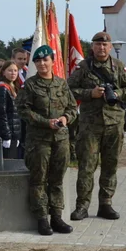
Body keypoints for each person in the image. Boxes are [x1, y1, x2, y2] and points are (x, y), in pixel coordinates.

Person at [67, 31, 126, 221]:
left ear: (110, 46)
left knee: (110, 165)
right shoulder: (83, 68)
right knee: (87, 166)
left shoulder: (118, 67)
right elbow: (69, 90)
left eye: (105, 45)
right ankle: (82, 206)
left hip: (114, 124)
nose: (102, 47)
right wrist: (91, 93)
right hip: (90, 125)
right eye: (98, 44)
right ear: (93, 46)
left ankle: (106, 204)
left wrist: (117, 93)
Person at [18, 45, 78, 236]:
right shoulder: (30, 85)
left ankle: (57, 217)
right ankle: (42, 219)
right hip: (39, 141)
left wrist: (65, 119)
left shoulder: (61, 84)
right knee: (39, 180)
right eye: (38, 61)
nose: (42, 64)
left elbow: (72, 108)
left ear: (53, 61)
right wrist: (46, 122)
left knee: (57, 179)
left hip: (60, 140)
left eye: (45, 60)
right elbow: (23, 110)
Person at [0, 60, 22, 159]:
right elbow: (1, 114)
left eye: (15, 71)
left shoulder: (12, 87)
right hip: (7, 134)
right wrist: (6, 136)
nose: (13, 73)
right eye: (10, 70)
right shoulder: (2, 88)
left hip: (14, 133)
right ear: (3, 72)